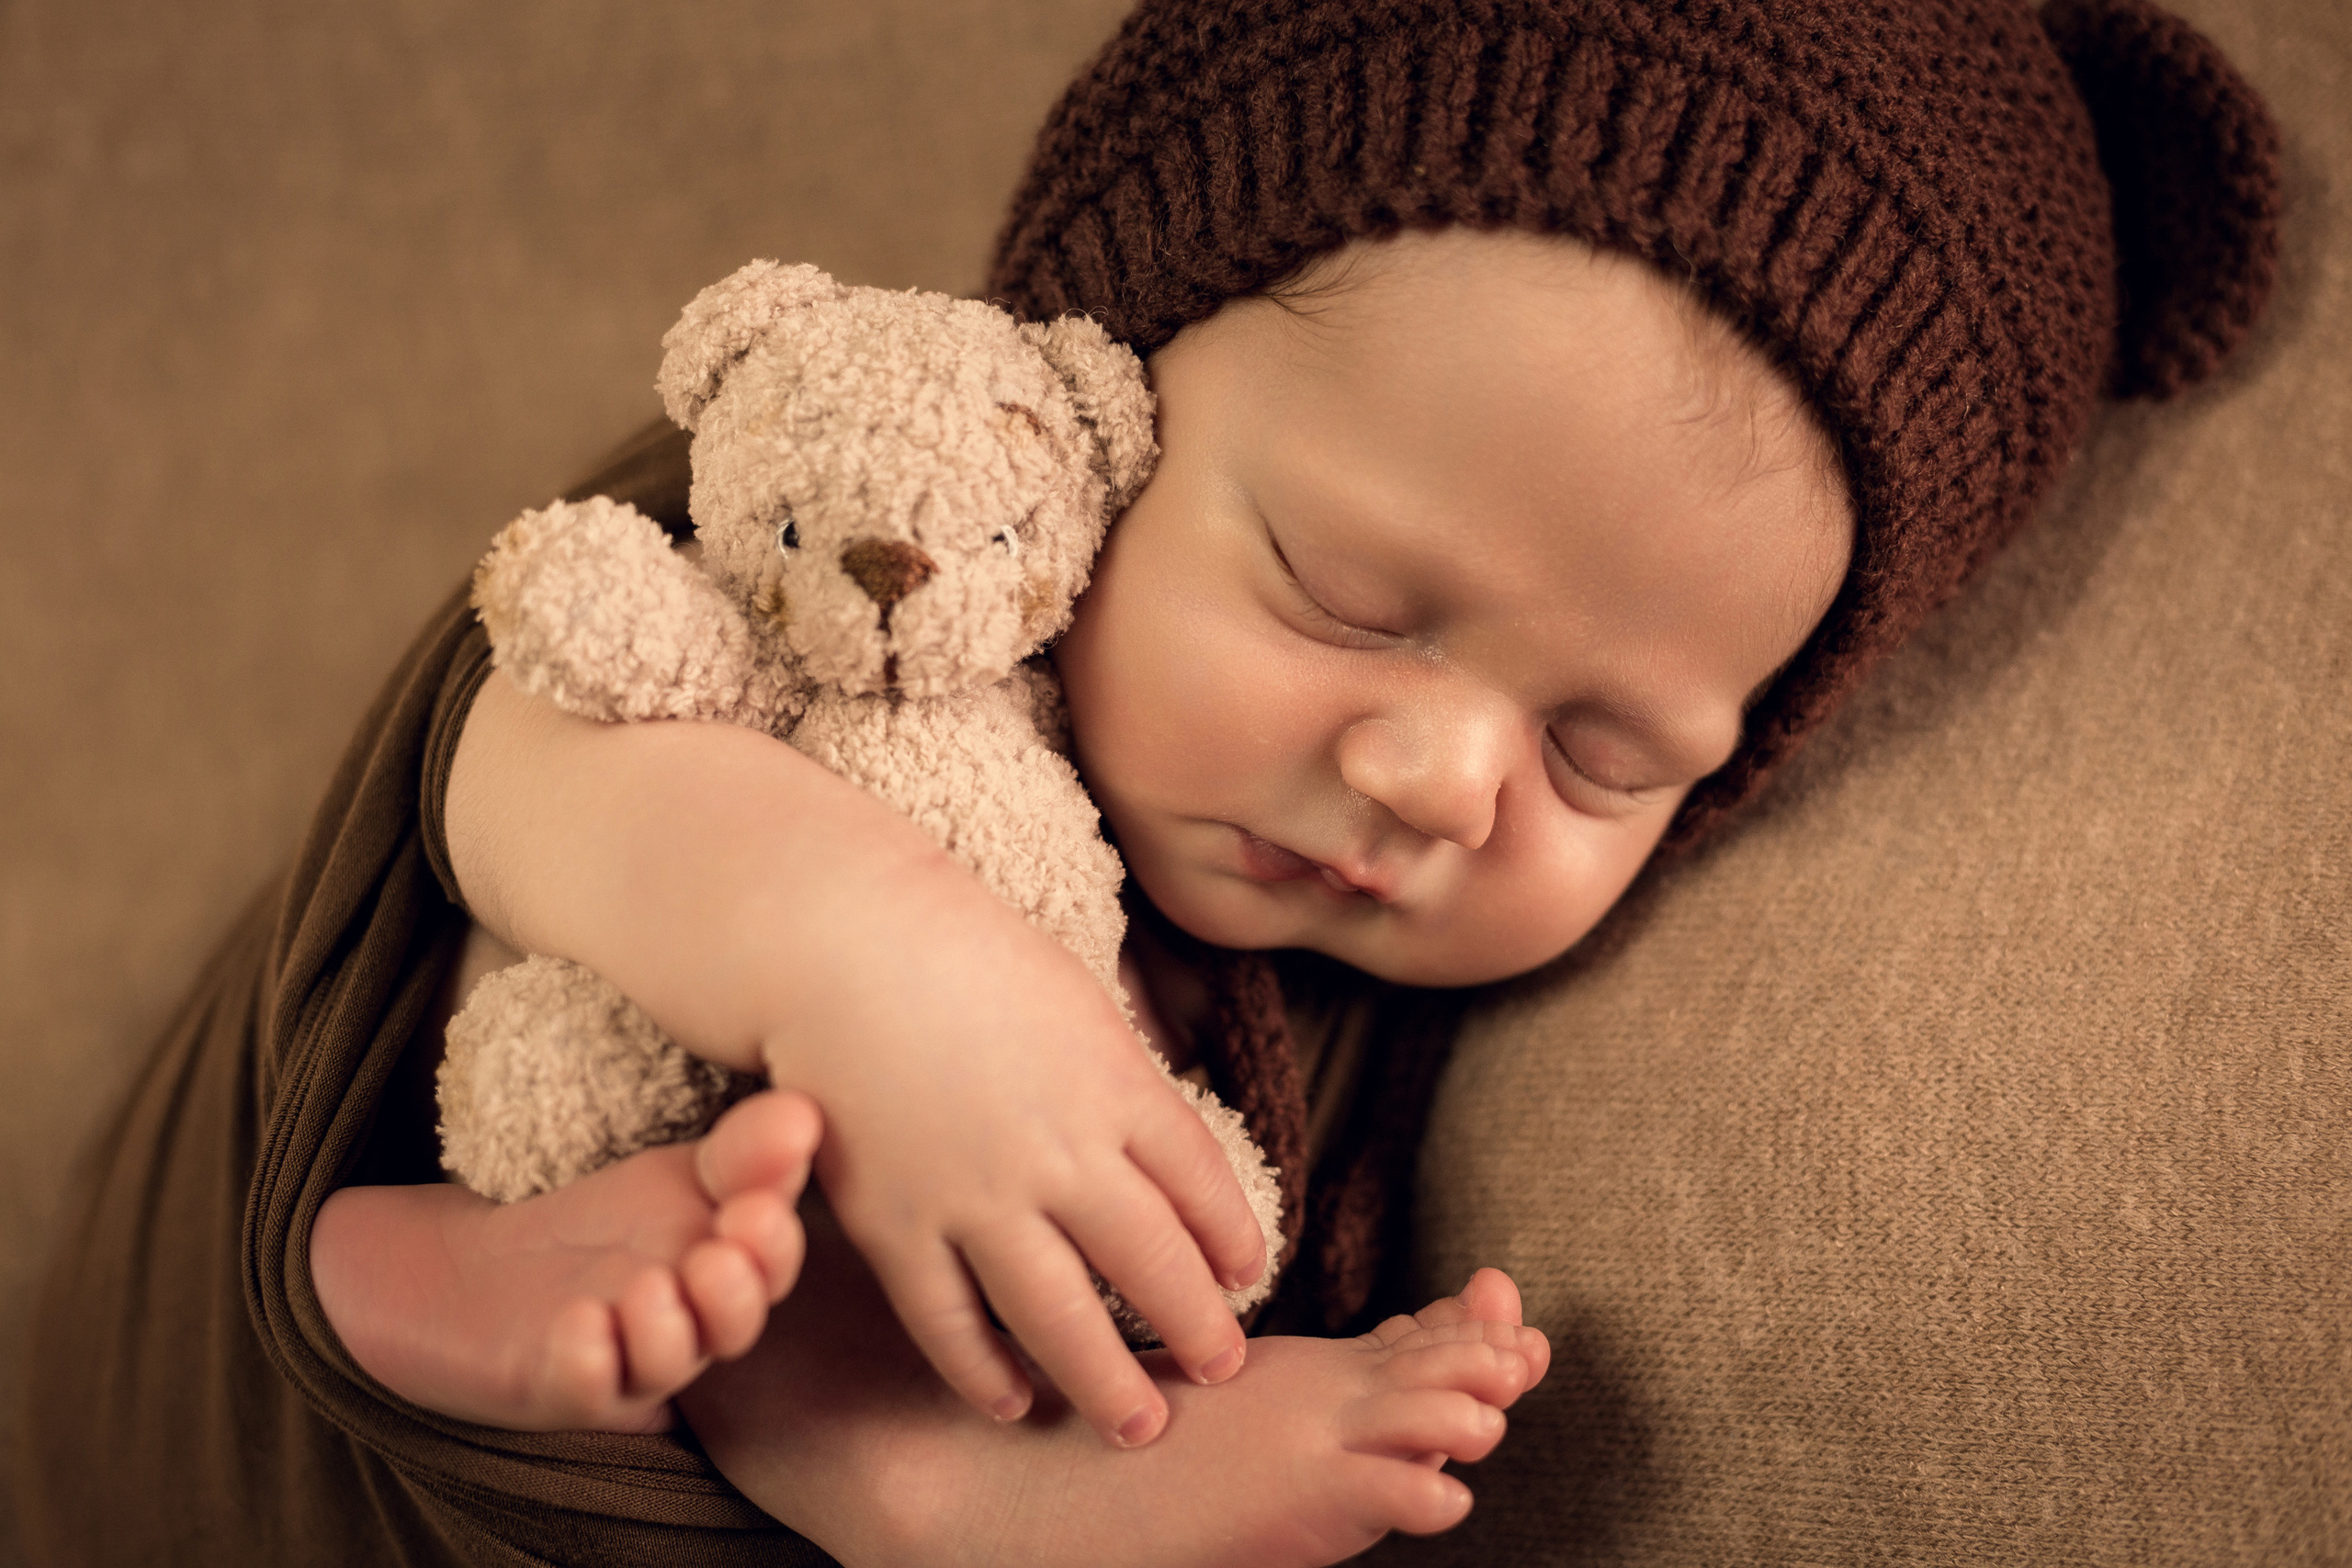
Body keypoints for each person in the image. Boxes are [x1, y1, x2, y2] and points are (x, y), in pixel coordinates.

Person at [16, 0, 2278, 1564]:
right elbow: (518, 757)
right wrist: (872, 960)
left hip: (638, 1370)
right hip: (222, 1316)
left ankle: (752, 1405)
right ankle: (432, 1293)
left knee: (846, 1262)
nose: (1433, 773)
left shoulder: (1337, 1007)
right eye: (1340, 591)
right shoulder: (888, 504)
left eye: (1610, 754)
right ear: (1103, 384)